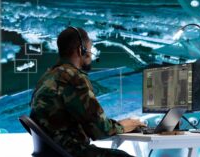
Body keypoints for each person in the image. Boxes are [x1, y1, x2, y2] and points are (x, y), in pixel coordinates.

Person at [29, 27, 146, 157]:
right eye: (90, 49)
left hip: (56, 151)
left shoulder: (47, 77)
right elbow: (100, 130)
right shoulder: (73, 77)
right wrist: (125, 125)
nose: (91, 54)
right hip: (73, 152)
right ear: (81, 50)